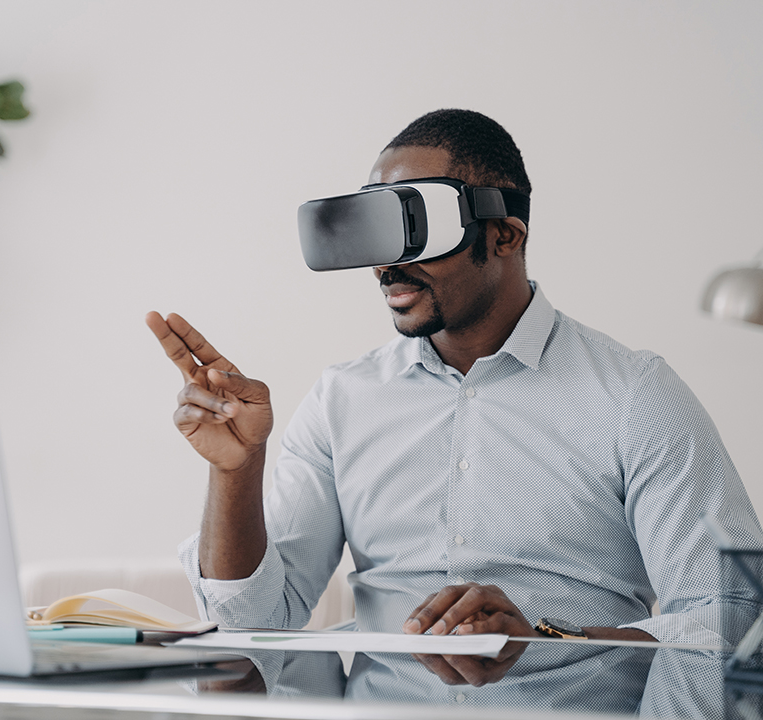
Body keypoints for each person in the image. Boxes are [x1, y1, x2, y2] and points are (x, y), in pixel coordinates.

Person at [146, 109, 763, 685]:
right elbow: (254, 627)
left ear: (503, 236)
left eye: (414, 229)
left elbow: (729, 617)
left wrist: (544, 638)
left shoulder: (635, 395)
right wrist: (236, 472)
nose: (387, 266)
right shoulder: (343, 400)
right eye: (375, 234)